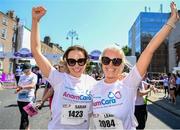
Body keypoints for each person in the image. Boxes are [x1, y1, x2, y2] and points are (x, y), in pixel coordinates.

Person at [91, 2, 179, 130]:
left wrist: (171, 22)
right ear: (101, 63)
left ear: (122, 66)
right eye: (106, 60)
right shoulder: (92, 87)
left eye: (116, 61)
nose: (110, 65)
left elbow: (149, 50)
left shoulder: (128, 84)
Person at [31, 7, 96, 130]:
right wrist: (35, 21)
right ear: (67, 62)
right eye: (72, 61)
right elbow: (36, 52)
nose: (76, 65)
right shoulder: (58, 78)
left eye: (80, 61)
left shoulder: (93, 83)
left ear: (86, 62)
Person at [15, 63, 37, 130]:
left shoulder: (34, 76)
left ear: (29, 69)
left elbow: (32, 85)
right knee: (24, 116)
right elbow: (19, 86)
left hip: (28, 99)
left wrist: (22, 87)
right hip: (20, 99)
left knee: (24, 116)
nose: (24, 72)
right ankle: (27, 128)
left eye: (25, 70)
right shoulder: (22, 76)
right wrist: (17, 90)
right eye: (23, 70)